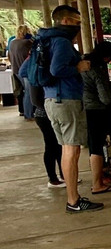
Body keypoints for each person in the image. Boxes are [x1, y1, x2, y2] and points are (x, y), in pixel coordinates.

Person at [41, 5, 102, 213]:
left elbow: (25, 70)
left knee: (67, 149)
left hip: (51, 99)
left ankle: (73, 199)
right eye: (77, 22)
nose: (78, 26)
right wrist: (79, 67)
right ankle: (73, 200)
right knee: (71, 150)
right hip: (66, 100)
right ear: (65, 21)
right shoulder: (62, 42)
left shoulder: (46, 40)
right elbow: (57, 69)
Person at [18, 53, 64, 188]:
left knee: (59, 146)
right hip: (44, 115)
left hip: (47, 113)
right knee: (51, 146)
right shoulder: (36, 76)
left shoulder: (40, 73)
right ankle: (53, 178)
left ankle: (63, 174)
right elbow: (35, 100)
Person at [82, 40, 111, 196]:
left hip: (84, 107)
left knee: (94, 144)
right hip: (96, 109)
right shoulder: (96, 69)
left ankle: (102, 174)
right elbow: (105, 98)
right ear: (106, 57)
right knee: (97, 145)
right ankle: (97, 183)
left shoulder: (83, 63)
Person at [7, 24, 33, 121]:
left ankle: (24, 111)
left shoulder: (12, 42)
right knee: (29, 92)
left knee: (22, 92)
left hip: (16, 70)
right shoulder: (27, 42)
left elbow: (9, 56)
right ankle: (29, 114)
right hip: (25, 71)